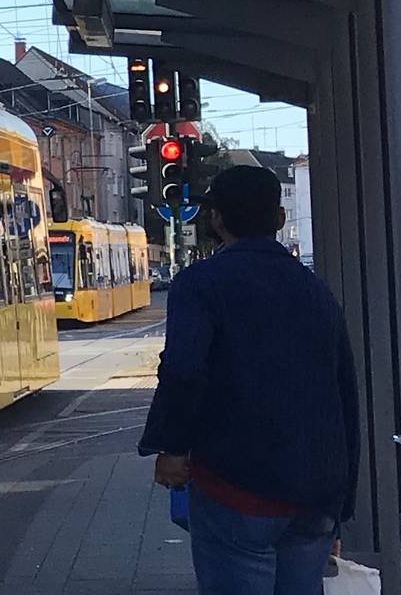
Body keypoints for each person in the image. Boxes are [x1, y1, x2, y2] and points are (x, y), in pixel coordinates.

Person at [140, 164, 359, 595]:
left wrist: (171, 448)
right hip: (315, 497)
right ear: (279, 220)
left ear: (216, 220)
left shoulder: (200, 284)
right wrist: (342, 507)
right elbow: (344, 393)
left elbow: (184, 371)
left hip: (237, 489)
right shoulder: (315, 290)